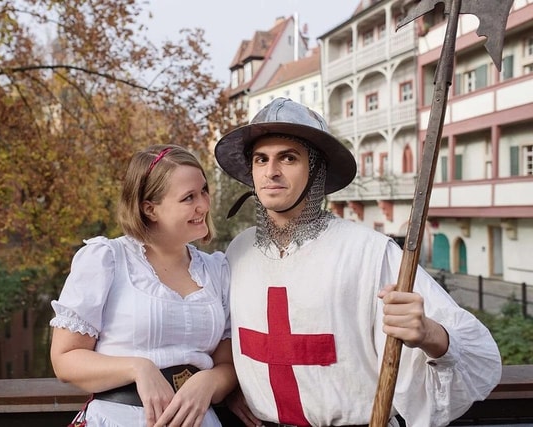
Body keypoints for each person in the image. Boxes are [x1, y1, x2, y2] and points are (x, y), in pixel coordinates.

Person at [214, 98, 502, 427]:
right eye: (260, 159)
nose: (271, 172)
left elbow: (479, 356)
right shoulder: (238, 252)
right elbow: (216, 335)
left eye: (288, 158)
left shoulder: (368, 252)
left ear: (316, 169)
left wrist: (429, 334)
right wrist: (233, 385)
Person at [49, 144, 237, 427]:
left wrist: (209, 382)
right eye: (188, 197)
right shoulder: (107, 260)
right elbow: (64, 360)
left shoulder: (216, 270)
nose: (203, 205)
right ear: (150, 209)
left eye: (204, 191)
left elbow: (228, 364)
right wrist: (138, 368)